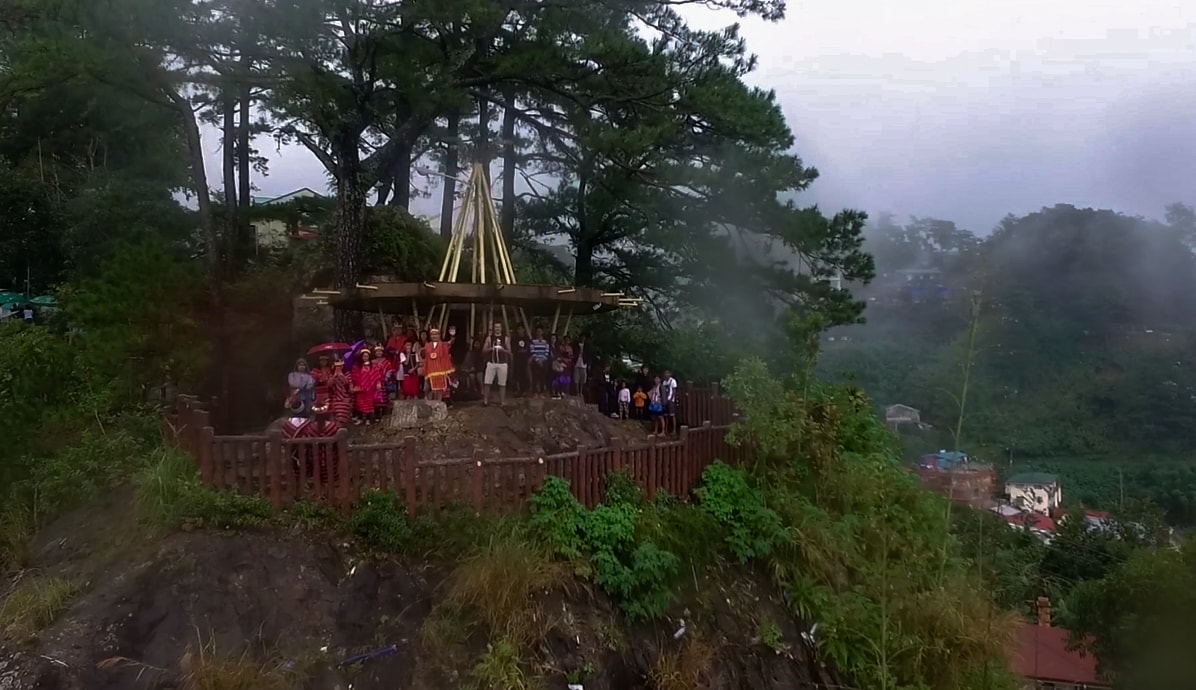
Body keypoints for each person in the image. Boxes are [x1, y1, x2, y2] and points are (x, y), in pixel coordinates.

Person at [350, 348, 382, 425]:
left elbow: (376, 376)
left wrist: (378, 384)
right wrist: (354, 385)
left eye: (366, 356)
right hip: (360, 388)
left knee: (369, 404)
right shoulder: (357, 366)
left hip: (370, 389)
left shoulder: (373, 366)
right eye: (364, 356)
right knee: (360, 404)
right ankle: (360, 418)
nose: (365, 358)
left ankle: (369, 419)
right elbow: (354, 376)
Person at [482, 321, 511, 406]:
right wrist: (491, 348)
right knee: (487, 382)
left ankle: (502, 401)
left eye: (499, 327)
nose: (497, 329)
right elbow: (483, 350)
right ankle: (485, 400)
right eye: (496, 327)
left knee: (502, 383)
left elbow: (510, 351)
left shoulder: (505, 338)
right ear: (494, 329)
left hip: (502, 363)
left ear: (501, 328)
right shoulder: (489, 338)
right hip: (491, 362)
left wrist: (503, 350)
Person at [422, 328, 454, 401]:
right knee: (429, 389)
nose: (434, 336)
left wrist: (452, 335)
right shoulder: (427, 345)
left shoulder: (443, 344)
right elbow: (424, 356)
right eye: (432, 335)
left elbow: (451, 342)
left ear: (439, 335)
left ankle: (438, 403)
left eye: (436, 334)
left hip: (440, 370)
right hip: (430, 371)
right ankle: (430, 404)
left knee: (440, 389)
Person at [329, 359, 353, 425]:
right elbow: (329, 385)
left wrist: (342, 375)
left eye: (340, 366)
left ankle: (343, 424)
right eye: (337, 366)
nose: (339, 368)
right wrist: (334, 376)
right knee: (336, 410)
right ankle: (337, 425)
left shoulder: (347, 374)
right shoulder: (332, 375)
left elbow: (348, 383)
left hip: (345, 396)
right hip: (335, 396)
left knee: (344, 410)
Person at [529, 328, 551, 397]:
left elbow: (547, 352)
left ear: (542, 332)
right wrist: (538, 360)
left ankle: (542, 392)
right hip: (535, 361)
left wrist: (542, 360)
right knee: (535, 377)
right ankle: (535, 392)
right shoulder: (533, 342)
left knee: (543, 377)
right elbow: (532, 352)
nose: (539, 333)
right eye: (538, 331)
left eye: (540, 331)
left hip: (544, 361)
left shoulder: (546, 342)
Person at [512, 326, 530, 397]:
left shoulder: (527, 339)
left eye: (521, 329)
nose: (520, 330)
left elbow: (529, 349)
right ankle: (516, 390)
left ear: (524, 330)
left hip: (525, 360)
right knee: (516, 375)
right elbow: (513, 349)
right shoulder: (514, 339)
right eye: (518, 329)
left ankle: (524, 390)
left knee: (524, 375)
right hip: (517, 359)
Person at [661, 369, 678, 434]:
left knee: (672, 415)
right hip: (665, 400)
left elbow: (674, 390)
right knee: (666, 415)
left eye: (667, 373)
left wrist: (671, 398)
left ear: (670, 374)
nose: (666, 375)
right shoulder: (664, 382)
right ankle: (666, 429)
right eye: (665, 373)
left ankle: (674, 430)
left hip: (671, 400)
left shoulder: (673, 381)